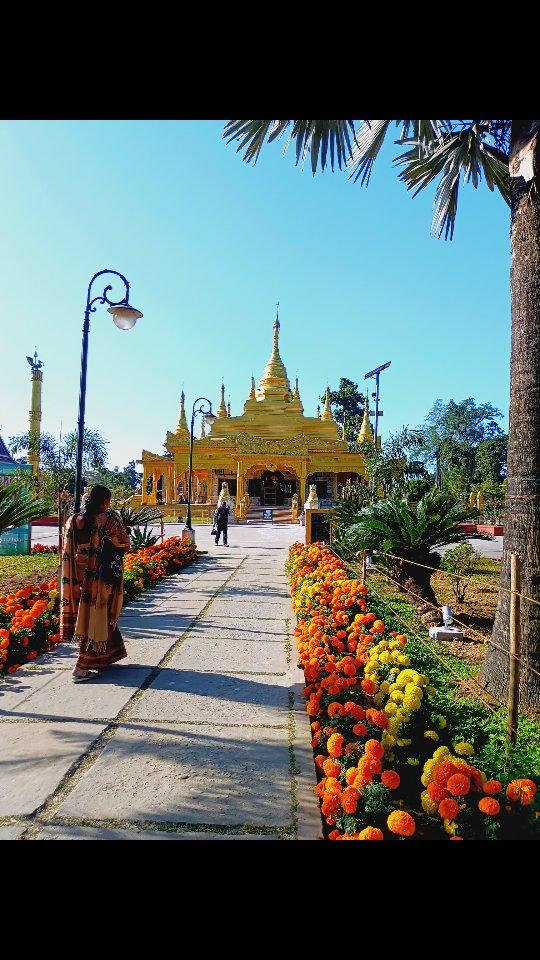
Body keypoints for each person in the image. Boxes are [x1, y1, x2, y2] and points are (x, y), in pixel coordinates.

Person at [60, 484, 131, 682]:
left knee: (94, 614)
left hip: (80, 574)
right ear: (105, 501)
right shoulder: (108, 519)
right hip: (102, 576)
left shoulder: (75, 519)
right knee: (97, 616)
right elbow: (125, 544)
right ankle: (82, 667)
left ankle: (107, 655)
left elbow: (69, 548)